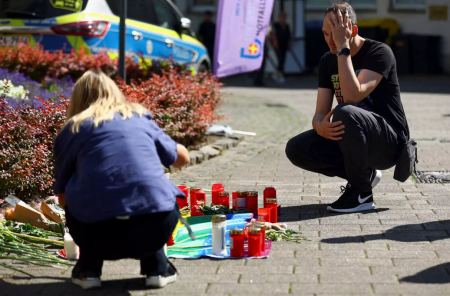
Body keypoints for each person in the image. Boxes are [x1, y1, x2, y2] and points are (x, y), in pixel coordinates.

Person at [54, 70, 190, 290]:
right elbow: (182, 158)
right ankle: (158, 268)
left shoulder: (73, 129)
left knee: (81, 200)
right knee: (155, 195)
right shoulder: (137, 118)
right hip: (155, 229)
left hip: (96, 234)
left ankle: (88, 270)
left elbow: (62, 197)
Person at [285, 1, 410, 213]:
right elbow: (320, 113)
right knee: (297, 148)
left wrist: (344, 49)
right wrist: (319, 126)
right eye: (326, 34)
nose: (330, 41)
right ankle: (364, 175)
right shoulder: (327, 61)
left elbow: (352, 96)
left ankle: (361, 194)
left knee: (345, 111)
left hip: (389, 143)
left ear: (353, 30)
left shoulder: (380, 52)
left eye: (336, 34)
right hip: (353, 136)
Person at [271, 11, 291, 83]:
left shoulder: (287, 26)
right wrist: (274, 42)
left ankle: (280, 74)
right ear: (279, 18)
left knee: (283, 60)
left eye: (284, 17)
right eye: (281, 17)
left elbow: (289, 36)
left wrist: (289, 44)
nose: (283, 19)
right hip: (277, 46)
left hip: (284, 46)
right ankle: (278, 74)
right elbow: (273, 34)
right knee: (280, 60)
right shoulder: (276, 25)